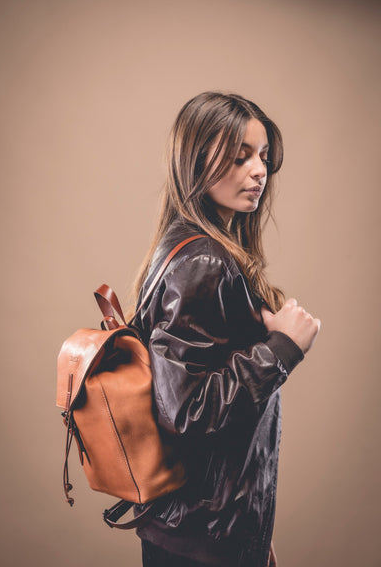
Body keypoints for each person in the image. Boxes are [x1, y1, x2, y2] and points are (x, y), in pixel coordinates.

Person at [127, 91, 321, 567]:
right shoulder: (203, 260)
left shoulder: (191, 249)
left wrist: (250, 529)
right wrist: (282, 349)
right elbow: (189, 411)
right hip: (201, 544)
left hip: (203, 531)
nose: (259, 170)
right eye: (240, 157)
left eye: (263, 157)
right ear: (196, 163)